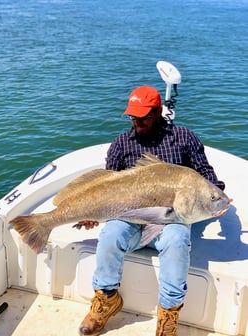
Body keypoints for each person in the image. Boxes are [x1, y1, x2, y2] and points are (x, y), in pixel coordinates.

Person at [78, 85, 225, 336]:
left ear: (157, 112)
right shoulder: (122, 144)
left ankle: (167, 317)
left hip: (171, 219)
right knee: (111, 233)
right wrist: (93, 212)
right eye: (133, 116)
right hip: (131, 219)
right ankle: (106, 300)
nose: (137, 121)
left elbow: (207, 176)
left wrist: (215, 198)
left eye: (143, 116)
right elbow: (106, 187)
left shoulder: (184, 137)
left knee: (178, 239)